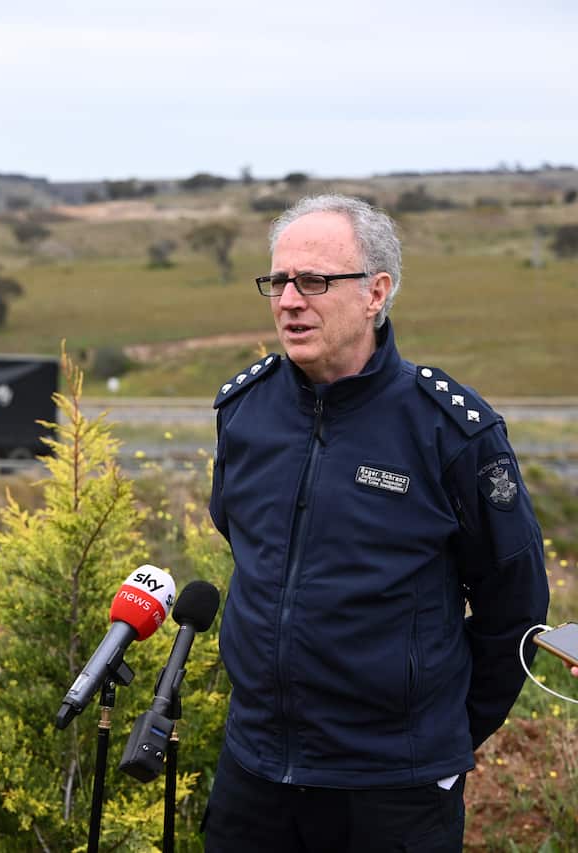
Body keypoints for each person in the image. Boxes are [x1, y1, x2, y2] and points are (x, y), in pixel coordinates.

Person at [203, 194, 550, 852]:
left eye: (314, 281)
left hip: (395, 789)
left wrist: (439, 740)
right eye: (278, 281)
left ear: (375, 292)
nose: (289, 300)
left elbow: (516, 604)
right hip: (255, 771)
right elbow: (248, 548)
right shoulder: (243, 411)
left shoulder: (449, 430)